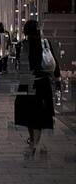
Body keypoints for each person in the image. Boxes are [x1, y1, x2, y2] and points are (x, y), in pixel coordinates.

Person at [17, 20, 61, 156]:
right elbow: (53, 62)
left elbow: (21, 65)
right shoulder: (45, 43)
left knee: (27, 113)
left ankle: (33, 142)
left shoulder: (23, 45)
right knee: (40, 114)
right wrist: (57, 78)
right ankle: (36, 142)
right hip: (43, 82)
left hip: (27, 81)